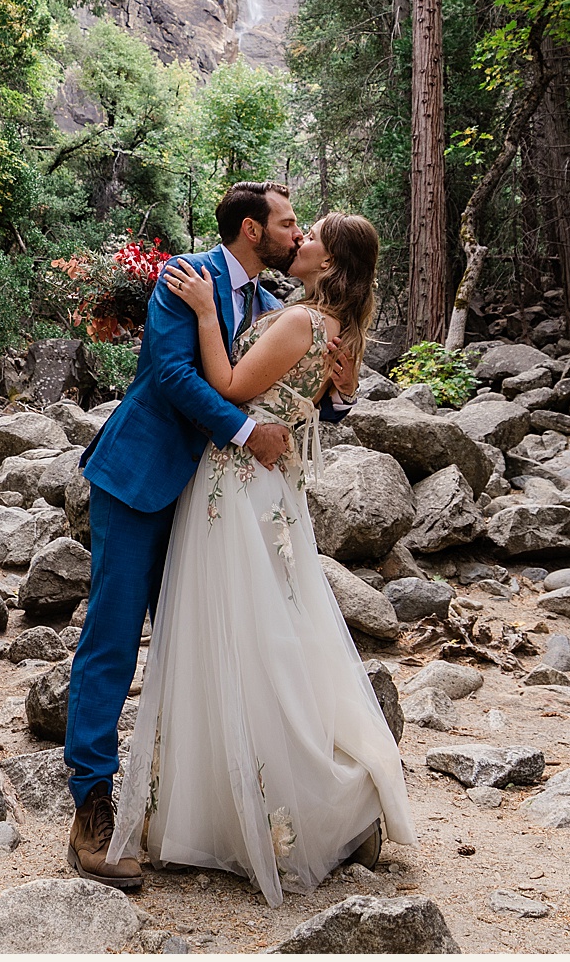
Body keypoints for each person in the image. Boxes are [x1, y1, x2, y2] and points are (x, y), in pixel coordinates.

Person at [106, 210, 414, 906]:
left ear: (330, 265)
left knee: (241, 632)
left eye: (310, 236)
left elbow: (234, 388)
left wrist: (209, 319)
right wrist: (334, 394)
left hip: (239, 488)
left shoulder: (302, 320)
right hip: (260, 487)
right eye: (292, 226)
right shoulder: (318, 322)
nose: (298, 239)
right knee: (254, 631)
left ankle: (252, 807)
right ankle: (216, 800)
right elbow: (317, 398)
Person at [63, 181, 302, 890]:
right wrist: (246, 430)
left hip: (213, 504)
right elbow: (168, 375)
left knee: (202, 645)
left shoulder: (272, 309)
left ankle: (197, 809)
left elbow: (284, 386)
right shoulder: (185, 277)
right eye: (288, 224)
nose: (298, 233)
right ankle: (93, 808)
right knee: (111, 641)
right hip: (139, 479)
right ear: (253, 230)